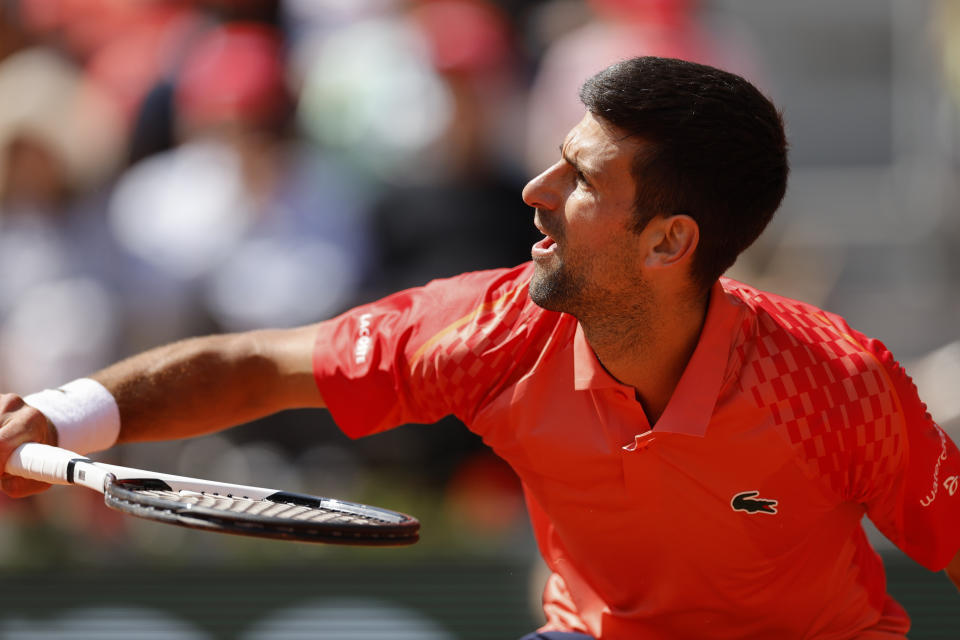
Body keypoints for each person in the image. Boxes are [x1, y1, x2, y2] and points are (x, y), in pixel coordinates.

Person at [1, 57, 958, 639]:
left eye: (579, 178)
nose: (535, 189)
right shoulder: (490, 330)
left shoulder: (840, 387)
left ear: (671, 243)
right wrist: (59, 414)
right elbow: (258, 366)